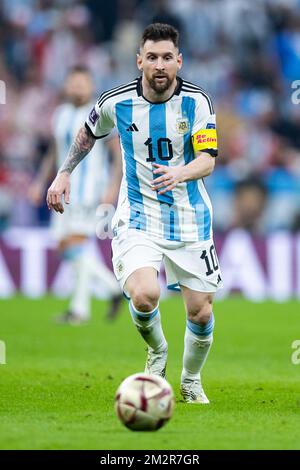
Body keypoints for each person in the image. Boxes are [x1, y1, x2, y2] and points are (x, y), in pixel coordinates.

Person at [46, 24, 223, 403]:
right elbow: (88, 132)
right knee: (144, 295)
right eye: (152, 57)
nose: (159, 65)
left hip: (190, 218)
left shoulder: (197, 102)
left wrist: (181, 171)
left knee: (201, 314)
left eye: (167, 58)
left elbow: (208, 160)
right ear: (139, 60)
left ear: (179, 61)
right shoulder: (116, 101)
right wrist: (63, 173)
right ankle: (157, 353)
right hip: (138, 216)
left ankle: (190, 381)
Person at [29, 66, 123, 324]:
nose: (78, 88)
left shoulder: (99, 113)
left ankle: (80, 310)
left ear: (91, 86)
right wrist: (39, 181)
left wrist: (113, 187)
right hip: (62, 191)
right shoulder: (60, 114)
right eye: (74, 83)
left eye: (83, 83)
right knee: (65, 246)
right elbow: (54, 152)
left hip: (88, 191)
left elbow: (117, 154)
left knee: (75, 244)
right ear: (67, 86)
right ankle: (111, 290)